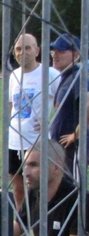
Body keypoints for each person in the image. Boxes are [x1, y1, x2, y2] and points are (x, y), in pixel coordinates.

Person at [8, 33, 60, 209]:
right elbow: (11, 105)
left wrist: (51, 122)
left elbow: (64, 103)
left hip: (36, 141)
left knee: (38, 187)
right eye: (18, 49)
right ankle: (22, 229)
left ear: (37, 51)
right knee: (18, 187)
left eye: (27, 48)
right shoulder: (13, 75)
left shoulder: (50, 74)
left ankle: (41, 225)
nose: (22, 52)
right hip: (15, 141)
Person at [49, 33, 87, 177]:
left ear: (75, 55)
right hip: (62, 149)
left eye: (61, 51)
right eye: (54, 51)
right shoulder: (66, 77)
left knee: (74, 188)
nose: (55, 55)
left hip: (73, 149)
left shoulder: (77, 77)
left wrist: (76, 134)